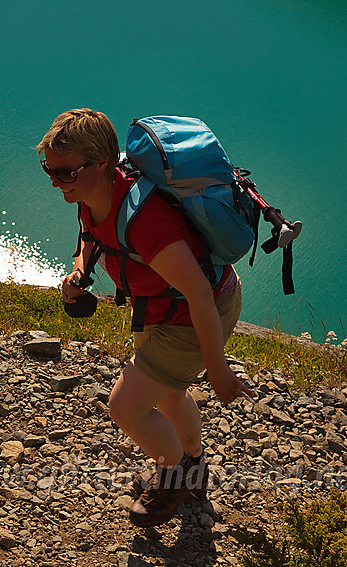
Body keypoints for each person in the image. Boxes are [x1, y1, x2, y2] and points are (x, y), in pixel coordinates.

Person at [37, 108, 254, 527]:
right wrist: (81, 270)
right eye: (49, 168)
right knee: (168, 394)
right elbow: (89, 233)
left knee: (125, 407)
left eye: (65, 173)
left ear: (102, 163)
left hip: (194, 313)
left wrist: (217, 368)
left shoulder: (146, 222)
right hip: (159, 307)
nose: (55, 180)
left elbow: (200, 293)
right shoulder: (90, 192)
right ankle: (194, 466)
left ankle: (174, 479)